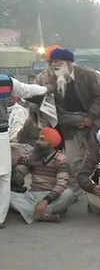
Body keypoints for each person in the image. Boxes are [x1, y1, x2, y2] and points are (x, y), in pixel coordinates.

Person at [36, 46, 100, 193]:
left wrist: (90, 118)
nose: (54, 65)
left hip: (91, 123)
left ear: (69, 62)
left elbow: (99, 97)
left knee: (95, 156)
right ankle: (78, 189)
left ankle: (98, 188)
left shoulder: (88, 75)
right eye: (52, 62)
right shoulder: (54, 78)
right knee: (72, 160)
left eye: (57, 61)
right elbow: (53, 102)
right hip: (69, 125)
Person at [0, 74, 52, 228]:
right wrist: (46, 89)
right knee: (3, 176)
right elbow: (27, 90)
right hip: (1, 135)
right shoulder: (4, 81)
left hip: (3, 135)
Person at [10, 128, 75, 224]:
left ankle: (33, 212)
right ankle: (42, 214)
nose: (37, 142)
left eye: (42, 140)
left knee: (69, 194)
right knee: (6, 194)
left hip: (51, 197)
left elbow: (61, 185)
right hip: (32, 195)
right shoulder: (33, 155)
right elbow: (19, 176)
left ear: (50, 144)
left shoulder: (61, 160)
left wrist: (45, 201)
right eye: (38, 139)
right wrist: (15, 167)